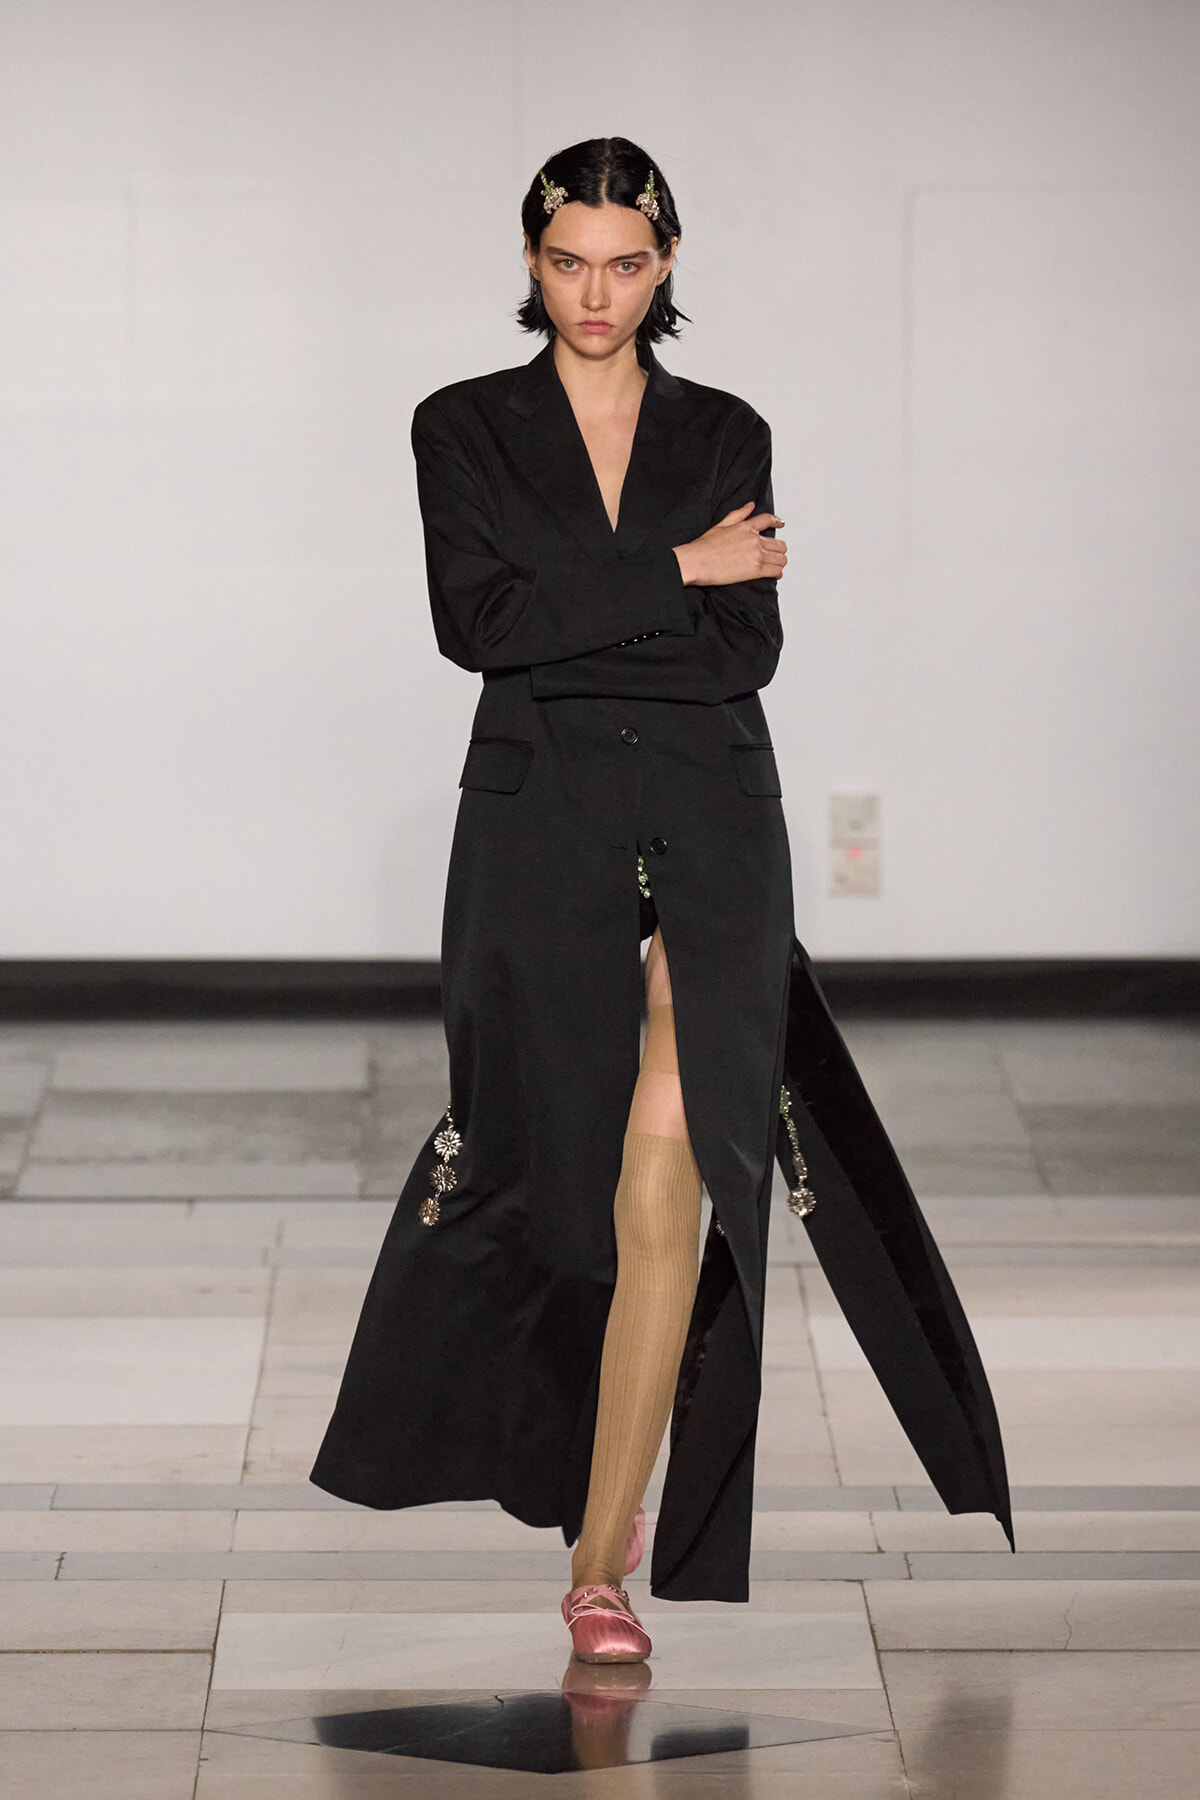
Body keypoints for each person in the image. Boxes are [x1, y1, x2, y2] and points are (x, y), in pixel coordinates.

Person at [310, 135, 1012, 1666]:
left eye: (626, 263)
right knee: (540, 1181)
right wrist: (678, 571)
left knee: (663, 1192)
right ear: (530, 259)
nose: (596, 292)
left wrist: (647, 603)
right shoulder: (465, 429)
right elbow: (475, 625)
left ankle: (600, 1560)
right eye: (569, 260)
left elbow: (740, 655)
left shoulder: (725, 428)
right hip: (536, 836)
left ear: (667, 266)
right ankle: (541, 1458)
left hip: (710, 830)